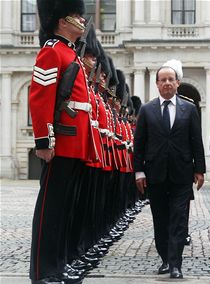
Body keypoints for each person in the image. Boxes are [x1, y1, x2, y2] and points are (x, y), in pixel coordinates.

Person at [29, 0, 91, 283]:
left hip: (75, 142)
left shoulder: (71, 54)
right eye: (76, 15)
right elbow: (40, 97)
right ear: (62, 20)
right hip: (61, 142)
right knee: (51, 209)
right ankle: (44, 271)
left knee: (64, 208)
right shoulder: (52, 51)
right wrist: (44, 140)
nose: (82, 19)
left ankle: (59, 264)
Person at [133, 60, 205, 279]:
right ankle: (165, 258)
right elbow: (140, 144)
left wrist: (200, 169)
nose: (167, 83)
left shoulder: (189, 109)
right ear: (157, 84)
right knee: (160, 219)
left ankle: (176, 264)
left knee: (178, 219)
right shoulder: (146, 110)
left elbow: (196, 141)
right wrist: (139, 171)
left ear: (177, 83)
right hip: (155, 174)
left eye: (170, 80)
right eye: (162, 80)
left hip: (182, 174)